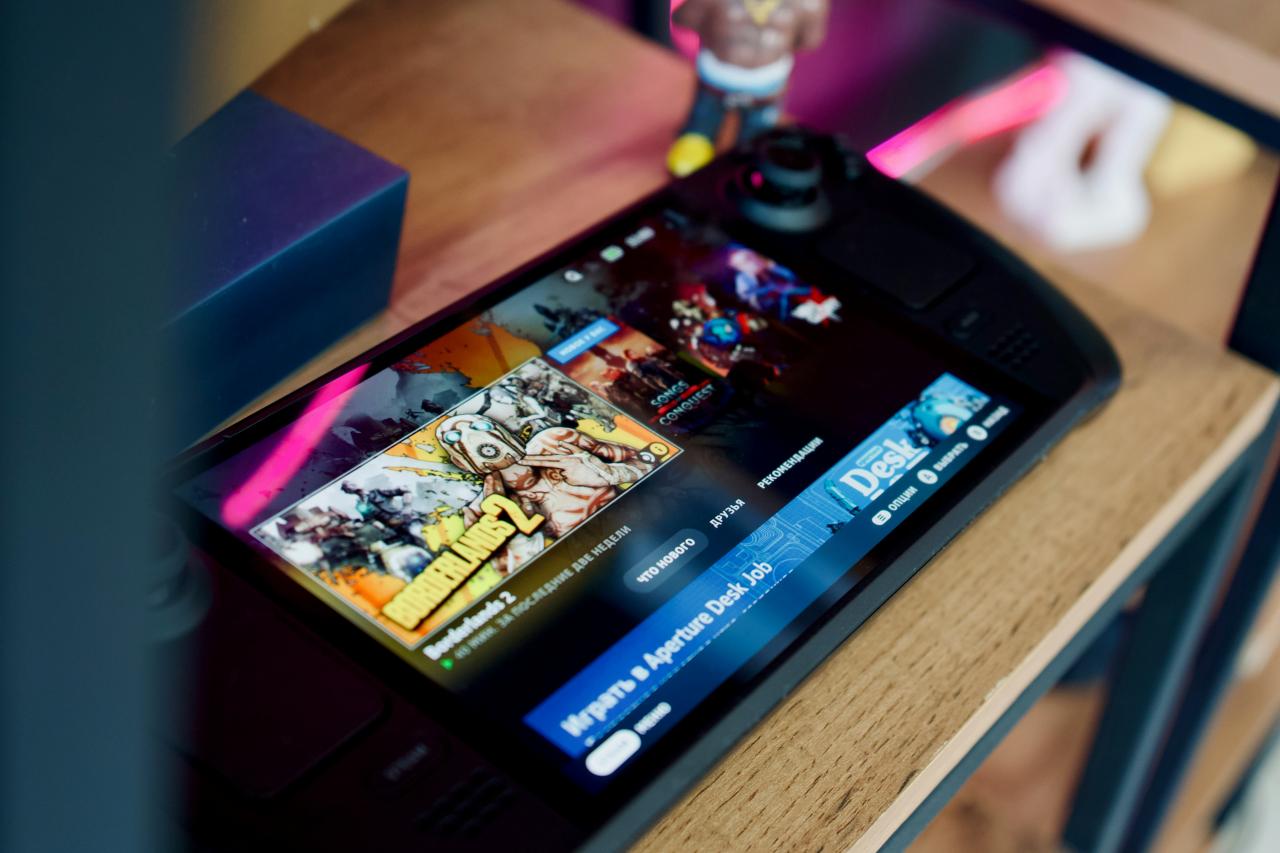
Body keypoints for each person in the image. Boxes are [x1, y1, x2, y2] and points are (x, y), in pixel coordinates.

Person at [667, 0, 830, 176]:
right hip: (717, 73)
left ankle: (748, 156)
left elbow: (809, 41)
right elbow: (683, 19)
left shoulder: (809, 3)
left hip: (766, 79)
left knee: (756, 133)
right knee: (704, 115)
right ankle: (697, 139)